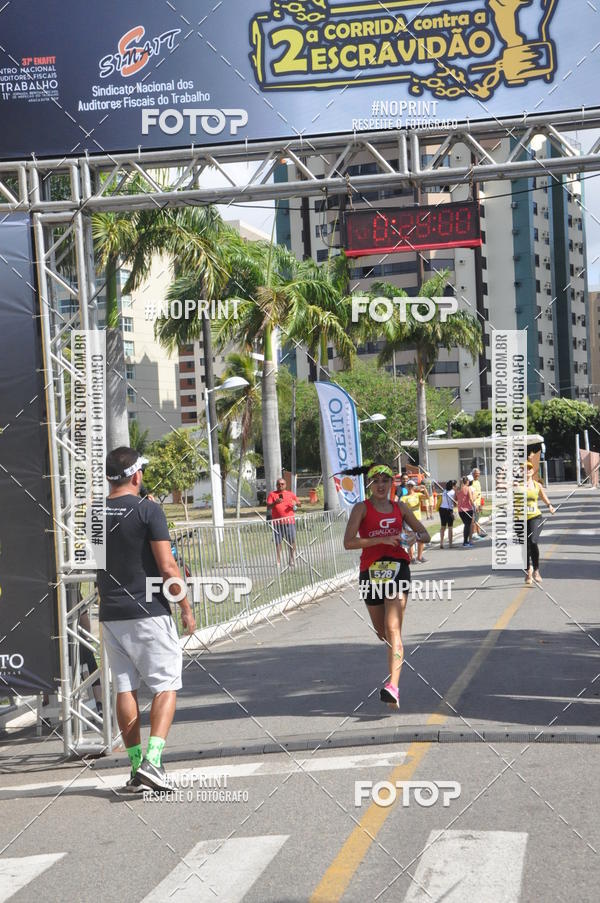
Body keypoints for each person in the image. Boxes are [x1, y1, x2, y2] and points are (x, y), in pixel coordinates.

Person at [96, 447, 196, 793]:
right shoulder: (148, 509)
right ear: (136, 475)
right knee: (166, 685)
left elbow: (99, 564)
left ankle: (137, 767)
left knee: (126, 688)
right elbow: (168, 566)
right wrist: (185, 605)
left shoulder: (94, 512)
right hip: (148, 610)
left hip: (111, 613)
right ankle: (154, 761)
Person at [342, 463, 430, 710]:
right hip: (370, 573)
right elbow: (348, 542)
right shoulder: (362, 508)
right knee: (382, 633)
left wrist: (414, 536)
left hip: (398, 568)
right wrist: (380, 539)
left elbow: (425, 535)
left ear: (392, 483)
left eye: (385, 480)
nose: (381, 485)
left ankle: (393, 687)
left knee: (394, 630)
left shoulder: (400, 508)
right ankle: (393, 679)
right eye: (376, 481)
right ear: (369, 484)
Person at [524, 460, 556, 585]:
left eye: (529, 468)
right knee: (524, 546)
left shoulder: (537, 485)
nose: (527, 470)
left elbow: (543, 497)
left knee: (532, 541)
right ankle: (528, 570)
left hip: (535, 516)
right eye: (524, 469)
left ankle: (536, 570)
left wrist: (550, 506)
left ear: (532, 471)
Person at [267, 477, 301, 567]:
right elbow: (268, 507)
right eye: (278, 484)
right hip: (277, 523)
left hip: (289, 522)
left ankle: (292, 559)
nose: (280, 486)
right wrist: (275, 503)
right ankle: (278, 561)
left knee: (292, 541)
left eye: (282, 484)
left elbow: (299, 504)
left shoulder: (290, 494)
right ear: (276, 485)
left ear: (285, 485)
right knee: (278, 542)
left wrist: (295, 503)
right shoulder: (272, 494)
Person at [404, 480, 427, 563]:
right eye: (408, 486)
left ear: (414, 487)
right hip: (409, 520)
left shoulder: (418, 495)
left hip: (418, 519)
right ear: (406, 487)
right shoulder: (404, 498)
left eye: (411, 486)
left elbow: (427, 497)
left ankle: (420, 557)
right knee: (411, 540)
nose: (410, 487)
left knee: (421, 539)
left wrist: (425, 489)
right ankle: (411, 558)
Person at [456, 476, 476, 547]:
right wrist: (474, 506)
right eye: (468, 481)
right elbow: (470, 499)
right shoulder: (468, 488)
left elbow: (456, 498)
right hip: (468, 509)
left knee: (466, 525)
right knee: (467, 525)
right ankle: (465, 542)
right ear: (466, 481)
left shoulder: (458, 489)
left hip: (460, 510)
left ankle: (466, 541)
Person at [439, 480, 457, 549]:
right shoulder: (452, 492)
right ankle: (450, 544)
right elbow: (455, 503)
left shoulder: (444, 491)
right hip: (449, 510)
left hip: (442, 509)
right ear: (452, 486)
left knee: (443, 526)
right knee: (450, 527)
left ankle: (441, 543)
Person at [470, 468, 487, 540]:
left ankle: (478, 532)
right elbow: (471, 494)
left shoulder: (478, 482)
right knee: (474, 520)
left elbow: (479, 493)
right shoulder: (471, 482)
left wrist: (481, 504)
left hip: (478, 503)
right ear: (473, 474)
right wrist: (475, 504)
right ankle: (474, 534)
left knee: (477, 519)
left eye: (479, 473)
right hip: (474, 504)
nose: (478, 475)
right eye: (477, 473)